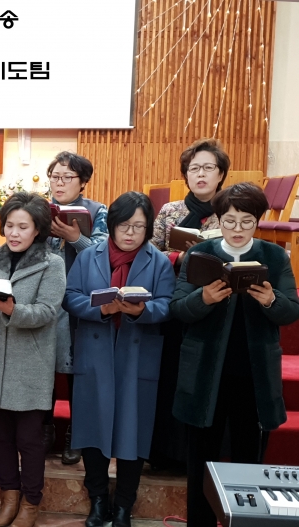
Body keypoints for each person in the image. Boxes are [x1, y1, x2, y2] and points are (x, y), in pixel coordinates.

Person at [171, 183, 299, 527]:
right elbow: (178, 308)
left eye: (246, 221)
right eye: (230, 221)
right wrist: (203, 299)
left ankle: (245, 521)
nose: (238, 229)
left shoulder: (274, 256)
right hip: (206, 372)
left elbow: (291, 311)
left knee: (248, 459)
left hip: (253, 374)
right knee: (202, 458)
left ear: (257, 220)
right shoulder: (201, 254)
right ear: (219, 220)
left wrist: (271, 300)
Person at [63, 192, 175, 527]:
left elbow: (167, 304)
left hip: (137, 354)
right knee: (91, 428)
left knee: (132, 431)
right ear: (111, 225)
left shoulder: (159, 261)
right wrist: (103, 307)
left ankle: (124, 504)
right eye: (124, 225)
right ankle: (98, 501)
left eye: (139, 227)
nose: (131, 233)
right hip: (95, 352)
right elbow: (70, 297)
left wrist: (141, 311)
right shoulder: (89, 256)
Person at [0, 192, 66, 527]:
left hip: (31, 363)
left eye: (22, 227)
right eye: (9, 225)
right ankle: (9, 497)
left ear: (37, 229)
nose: (13, 232)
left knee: (29, 439)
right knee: (0, 436)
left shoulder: (52, 263)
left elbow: (47, 311)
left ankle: (31, 503)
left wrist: (11, 309)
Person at [148, 138, 229, 470]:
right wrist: (179, 258)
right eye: (194, 168)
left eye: (208, 168)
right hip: (175, 302)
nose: (201, 174)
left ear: (221, 174)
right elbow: (150, 253)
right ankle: (167, 455)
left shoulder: (230, 213)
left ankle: (203, 457)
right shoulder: (171, 211)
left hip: (216, 303)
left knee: (206, 380)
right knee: (172, 377)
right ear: (186, 175)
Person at [44, 151, 109, 464]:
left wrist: (75, 238)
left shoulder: (98, 211)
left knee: (76, 372)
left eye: (67, 177)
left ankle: (76, 432)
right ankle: (44, 428)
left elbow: (104, 255)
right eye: (55, 176)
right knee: (43, 367)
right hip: (45, 299)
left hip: (79, 302)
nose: (59, 183)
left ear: (82, 182)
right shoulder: (40, 209)